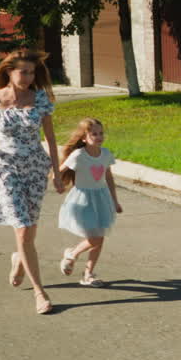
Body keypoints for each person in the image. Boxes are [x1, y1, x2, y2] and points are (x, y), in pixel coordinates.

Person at [0, 50, 63, 314]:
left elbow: (51, 139)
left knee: (28, 231)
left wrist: (57, 172)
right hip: (6, 170)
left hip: (35, 169)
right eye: (23, 72)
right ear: (9, 71)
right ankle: (40, 293)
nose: (28, 77)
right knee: (23, 228)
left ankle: (19, 257)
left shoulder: (40, 99)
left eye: (32, 72)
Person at [57, 117, 122, 287]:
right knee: (95, 238)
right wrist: (57, 182)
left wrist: (115, 201)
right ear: (84, 138)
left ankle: (88, 274)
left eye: (101, 133)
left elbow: (109, 177)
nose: (99, 137)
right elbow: (59, 171)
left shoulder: (106, 154)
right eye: (94, 134)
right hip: (82, 201)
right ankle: (72, 254)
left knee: (99, 238)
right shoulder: (79, 155)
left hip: (101, 199)